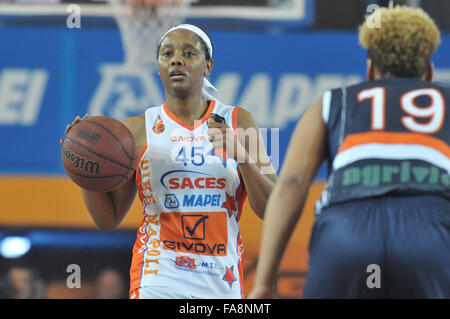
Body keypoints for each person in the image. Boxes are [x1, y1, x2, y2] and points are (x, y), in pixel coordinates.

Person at [62, 24, 277, 299]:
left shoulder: (239, 122)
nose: (176, 59)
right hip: (158, 277)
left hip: (222, 283)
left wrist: (243, 158)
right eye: (167, 54)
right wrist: (85, 166)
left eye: (189, 53)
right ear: (159, 66)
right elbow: (107, 219)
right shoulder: (136, 130)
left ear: (208, 66)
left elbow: (274, 208)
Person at [249, 5, 449, 299]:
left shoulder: (334, 101)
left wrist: (263, 283)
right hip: (428, 234)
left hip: (346, 233)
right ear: (429, 73)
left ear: (370, 70)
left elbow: (291, 183)